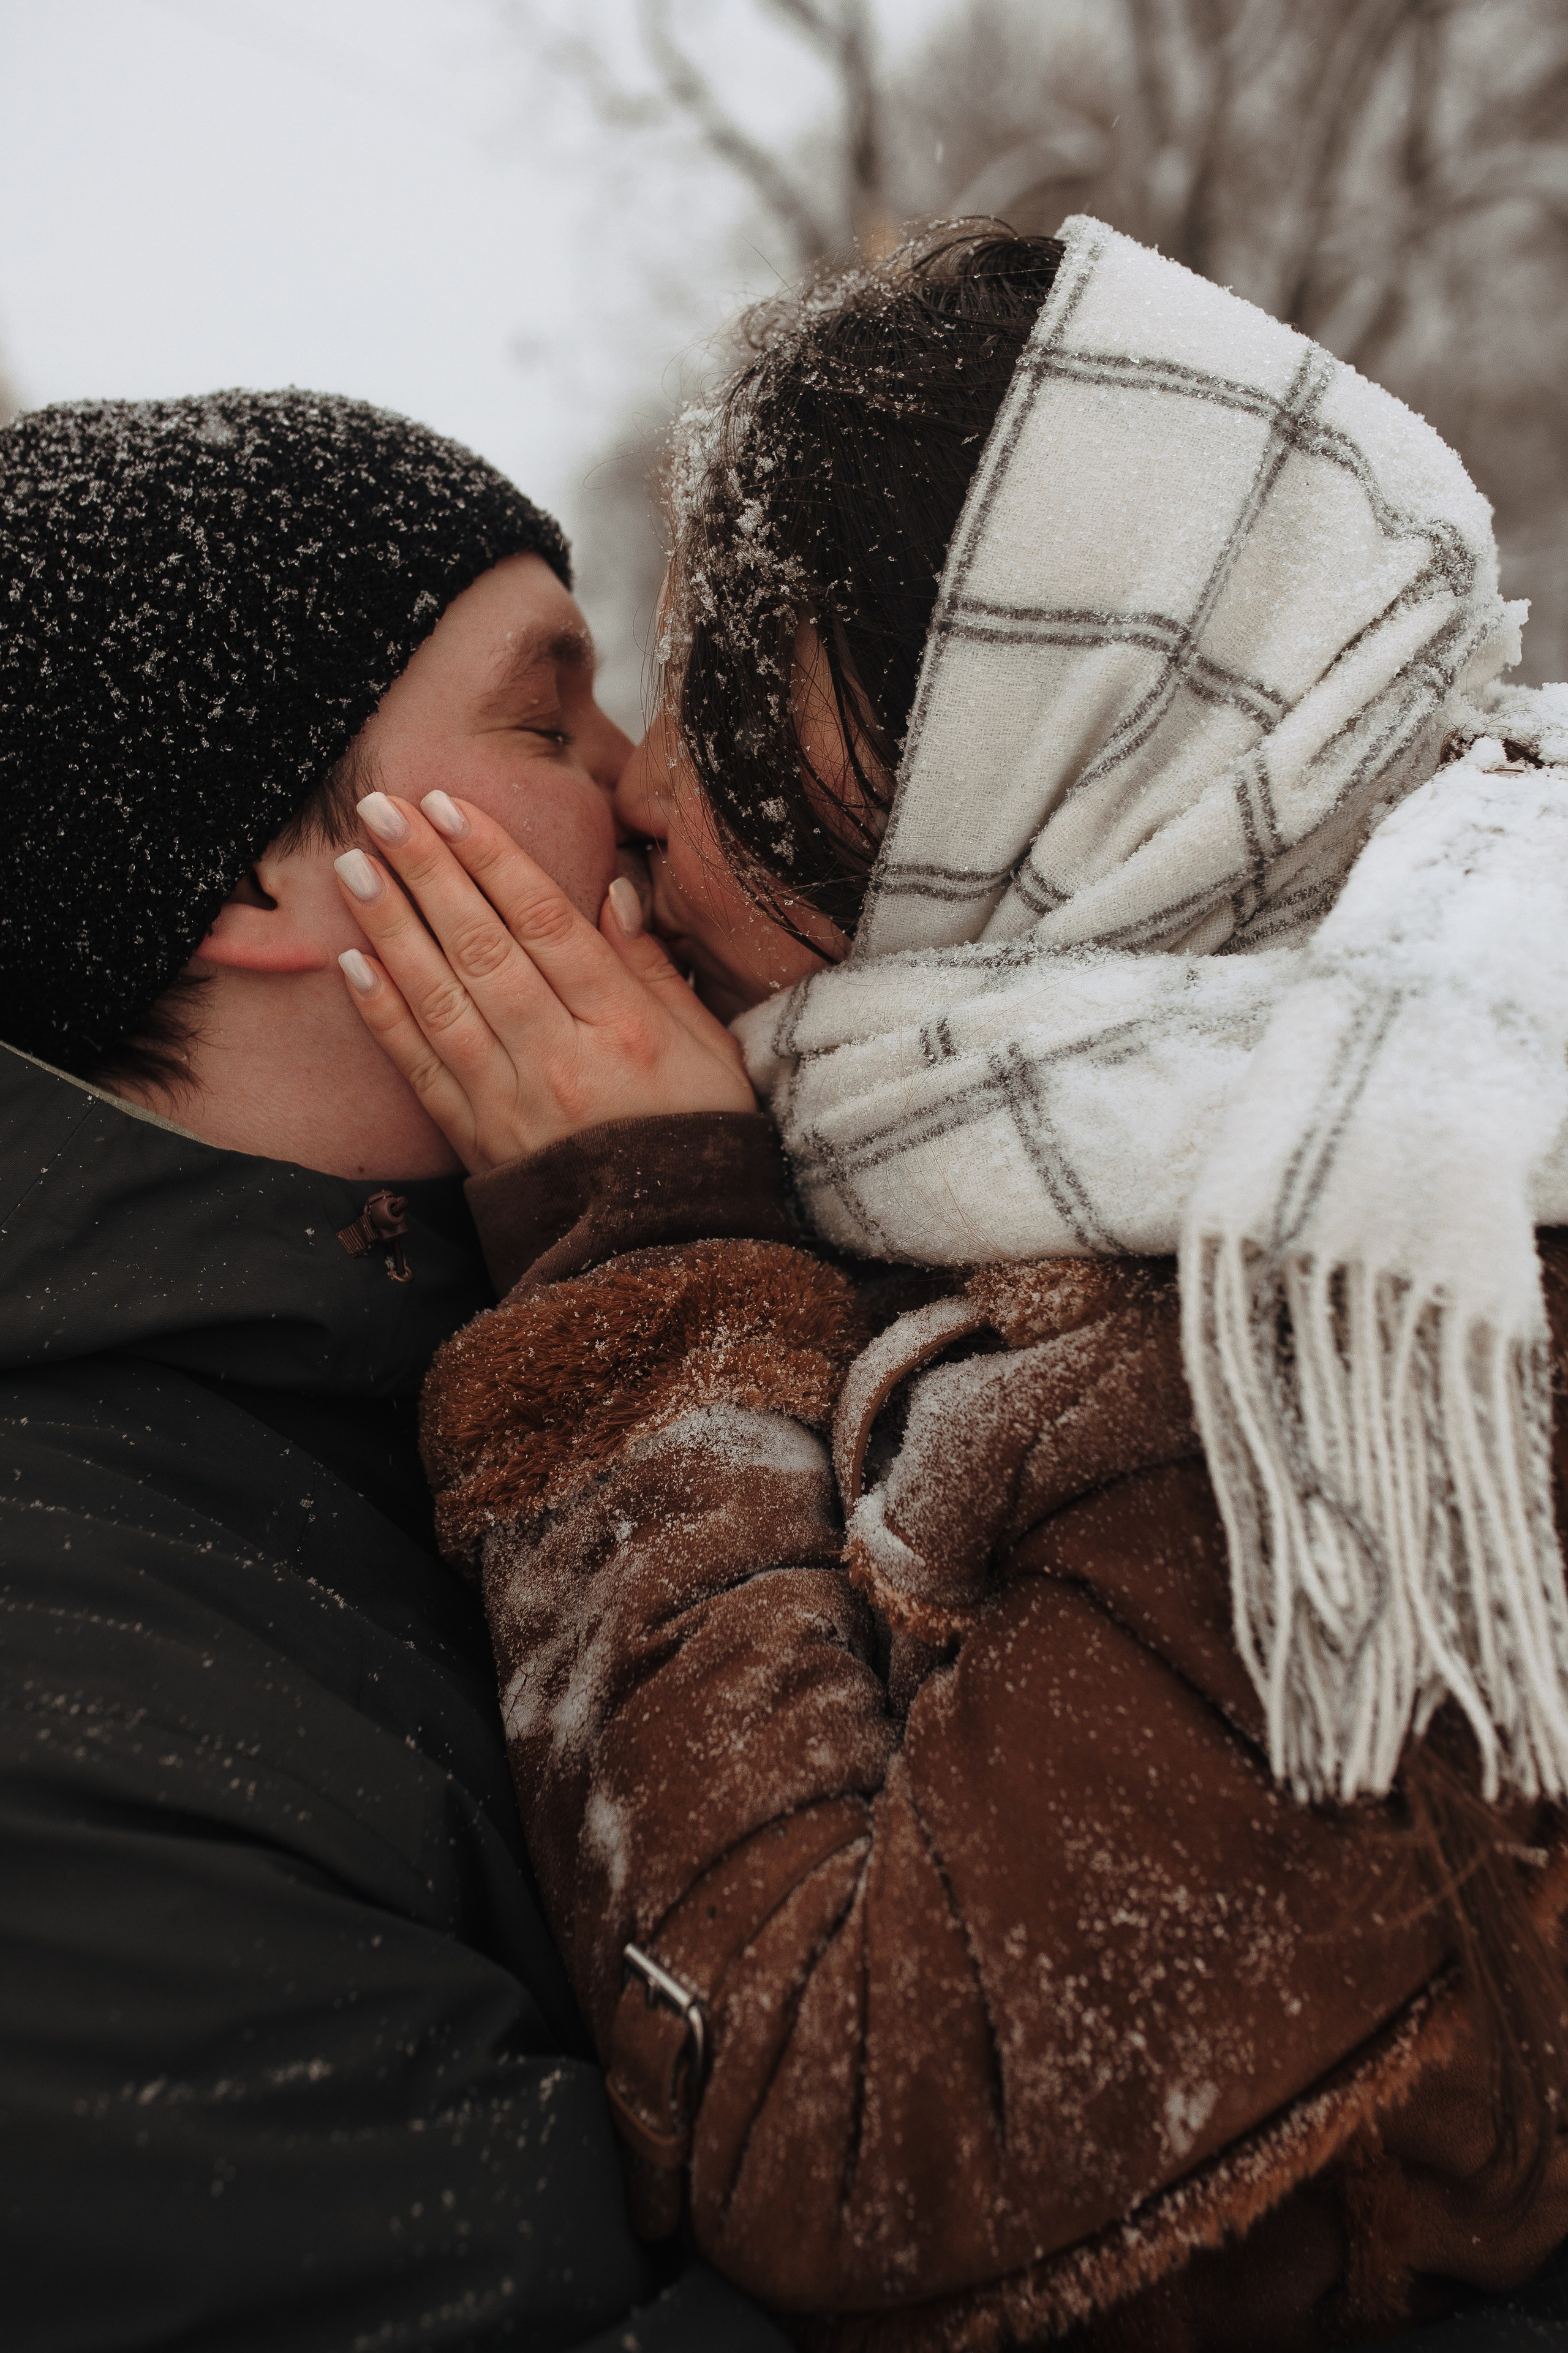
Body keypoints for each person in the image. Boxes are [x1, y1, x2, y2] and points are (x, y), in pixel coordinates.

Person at [333, 221, 1568, 2349]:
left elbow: (853, 2132)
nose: (647, 789)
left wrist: (649, 1273)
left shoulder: (1359, 1315)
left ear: (1055, 739)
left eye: (740, 694)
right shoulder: (1104, 1126)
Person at [0, 390, 788, 2352]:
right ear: (263, 877)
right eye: (547, 715)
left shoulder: (420, 1382)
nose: (648, 782)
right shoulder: (59, 1713)